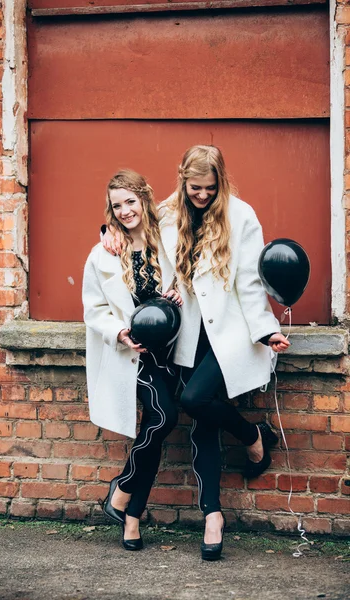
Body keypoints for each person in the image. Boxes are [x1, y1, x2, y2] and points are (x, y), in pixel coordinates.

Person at [102, 145, 289, 561]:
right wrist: (107, 231)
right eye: (194, 187)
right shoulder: (170, 212)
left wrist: (266, 330)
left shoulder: (242, 216)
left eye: (209, 187)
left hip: (230, 333)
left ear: (220, 181)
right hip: (187, 336)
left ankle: (252, 436)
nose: (201, 195)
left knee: (195, 401)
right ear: (183, 181)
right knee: (202, 422)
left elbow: (250, 282)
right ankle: (213, 516)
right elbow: (129, 220)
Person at [82, 169, 182, 551]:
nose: (124, 211)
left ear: (144, 199)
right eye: (116, 205)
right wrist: (119, 333)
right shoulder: (103, 254)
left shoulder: (169, 238)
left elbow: (192, 277)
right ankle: (123, 489)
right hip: (135, 356)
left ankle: (131, 518)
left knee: (152, 434)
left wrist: (180, 294)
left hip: (173, 353)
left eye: (130, 201)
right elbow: (93, 309)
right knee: (164, 418)